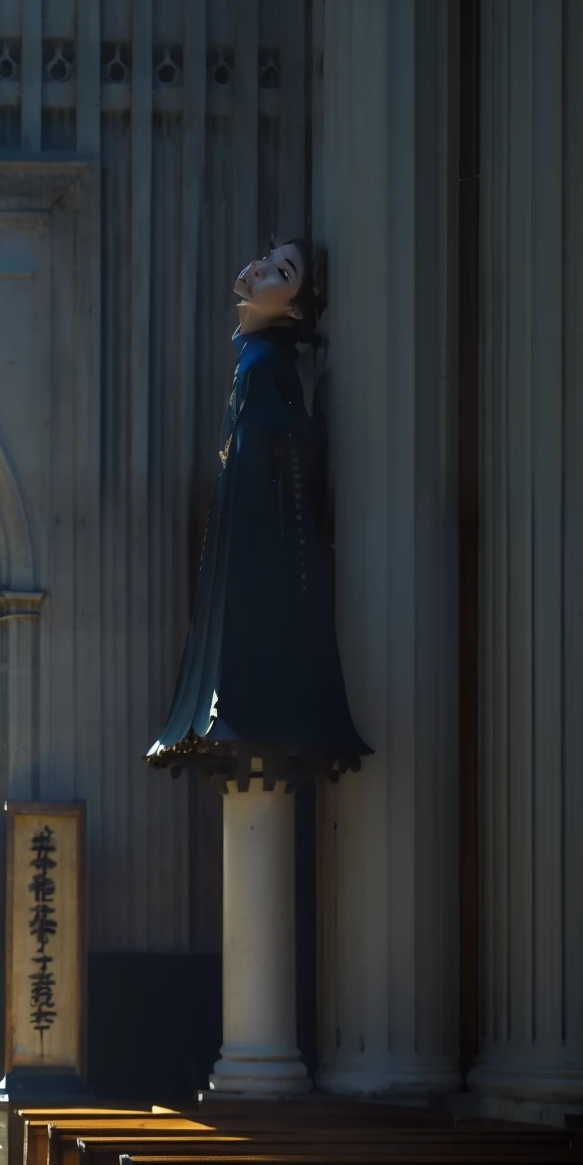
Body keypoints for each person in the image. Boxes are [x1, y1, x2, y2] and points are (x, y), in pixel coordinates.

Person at [147, 239, 370, 789]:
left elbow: (276, 452)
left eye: (280, 272)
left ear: (293, 311)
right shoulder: (256, 365)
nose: (257, 269)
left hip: (257, 550)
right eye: (265, 259)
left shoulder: (266, 366)